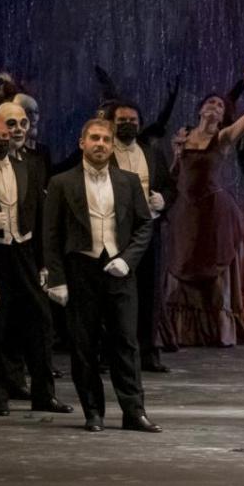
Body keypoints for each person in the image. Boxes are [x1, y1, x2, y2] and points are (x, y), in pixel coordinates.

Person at [42, 119, 160, 433]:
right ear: (82, 142)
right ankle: (93, 412)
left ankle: (134, 412)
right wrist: (56, 278)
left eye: (106, 139)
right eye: (94, 138)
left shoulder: (129, 181)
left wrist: (128, 260)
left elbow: (145, 225)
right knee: (84, 345)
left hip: (119, 270)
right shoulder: (61, 182)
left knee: (126, 342)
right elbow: (50, 235)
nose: (100, 144)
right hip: (81, 270)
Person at [0, 116, 70, 416]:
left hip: (25, 253)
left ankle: (44, 394)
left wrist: (44, 264)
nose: (2, 140)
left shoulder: (27, 168)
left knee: (41, 323)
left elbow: (41, 219)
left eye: (5, 135)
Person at [159, 92, 244, 349]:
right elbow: (174, 176)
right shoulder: (181, 138)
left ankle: (218, 331)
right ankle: (179, 332)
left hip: (214, 212)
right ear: (200, 109)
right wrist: (176, 154)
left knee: (212, 265)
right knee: (181, 261)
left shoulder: (221, 138)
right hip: (186, 210)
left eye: (220, 105)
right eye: (210, 102)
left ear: (223, 116)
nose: (214, 106)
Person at [104, 100, 173, 373]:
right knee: (114, 294)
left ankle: (148, 352)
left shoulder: (152, 153)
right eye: (122, 120)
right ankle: (110, 353)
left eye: (133, 120)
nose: (128, 124)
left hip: (148, 233)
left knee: (149, 294)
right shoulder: (103, 151)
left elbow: (170, 187)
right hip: (114, 233)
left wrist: (164, 200)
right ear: (112, 123)